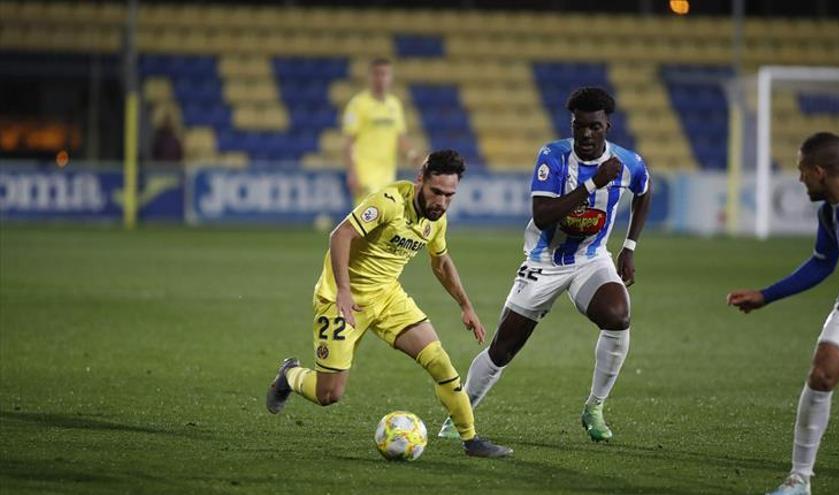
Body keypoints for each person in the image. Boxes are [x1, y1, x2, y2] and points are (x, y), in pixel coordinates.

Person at [437, 87, 652, 443]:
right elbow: (543, 215)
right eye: (578, 126)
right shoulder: (552, 157)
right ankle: (457, 416)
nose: (585, 134)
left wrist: (629, 247)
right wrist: (593, 183)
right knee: (502, 349)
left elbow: (645, 191)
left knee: (618, 316)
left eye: (594, 127)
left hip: (591, 259)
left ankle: (594, 407)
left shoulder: (628, 163)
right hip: (545, 260)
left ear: (607, 126)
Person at [266, 149, 512, 458]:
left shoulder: (436, 219)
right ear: (420, 179)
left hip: (388, 297)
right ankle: (289, 374)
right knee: (329, 394)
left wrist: (466, 306)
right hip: (342, 301)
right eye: (436, 192)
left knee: (439, 360)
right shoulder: (389, 202)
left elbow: (441, 262)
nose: (442, 202)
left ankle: (471, 439)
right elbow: (340, 235)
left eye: (450, 195)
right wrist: (343, 290)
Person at [727, 132, 839, 494]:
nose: (799, 180)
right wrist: (766, 295)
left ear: (819, 171)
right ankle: (799, 481)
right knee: (821, 374)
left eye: (801, 171)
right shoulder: (829, 212)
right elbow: (821, 264)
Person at [342, 58, 420, 206]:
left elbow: (399, 136)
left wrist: (412, 155)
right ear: (370, 77)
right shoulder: (358, 104)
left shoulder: (394, 105)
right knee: (368, 222)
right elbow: (348, 143)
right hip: (365, 175)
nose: (380, 78)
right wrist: (352, 173)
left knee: (383, 224)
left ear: (390, 78)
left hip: (387, 176)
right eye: (377, 74)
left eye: (384, 74)